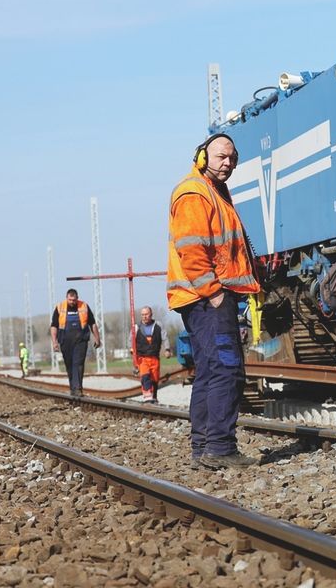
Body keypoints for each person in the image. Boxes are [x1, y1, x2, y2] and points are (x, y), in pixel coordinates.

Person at [167, 133, 261, 469]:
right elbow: (191, 248)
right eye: (222, 157)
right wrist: (215, 293)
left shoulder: (214, 192)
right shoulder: (194, 193)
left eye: (233, 158)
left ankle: (203, 449)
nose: (228, 163)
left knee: (209, 371)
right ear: (203, 157)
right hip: (207, 298)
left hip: (204, 298)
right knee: (226, 369)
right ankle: (220, 448)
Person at [50, 289, 102, 397]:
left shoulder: (84, 306)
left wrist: (97, 338)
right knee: (69, 365)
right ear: (66, 298)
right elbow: (54, 325)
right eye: (70, 300)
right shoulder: (60, 307)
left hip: (81, 340)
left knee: (78, 364)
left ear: (77, 298)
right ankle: (73, 388)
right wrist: (54, 342)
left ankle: (78, 388)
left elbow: (92, 323)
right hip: (65, 340)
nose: (72, 302)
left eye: (74, 300)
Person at [133, 306, 163, 403]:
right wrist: (132, 350)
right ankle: (147, 395)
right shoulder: (136, 327)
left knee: (154, 378)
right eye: (142, 315)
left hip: (154, 357)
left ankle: (154, 396)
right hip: (142, 358)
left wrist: (167, 349)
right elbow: (131, 340)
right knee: (145, 375)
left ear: (151, 314)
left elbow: (164, 337)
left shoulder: (158, 326)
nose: (144, 317)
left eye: (146, 314)